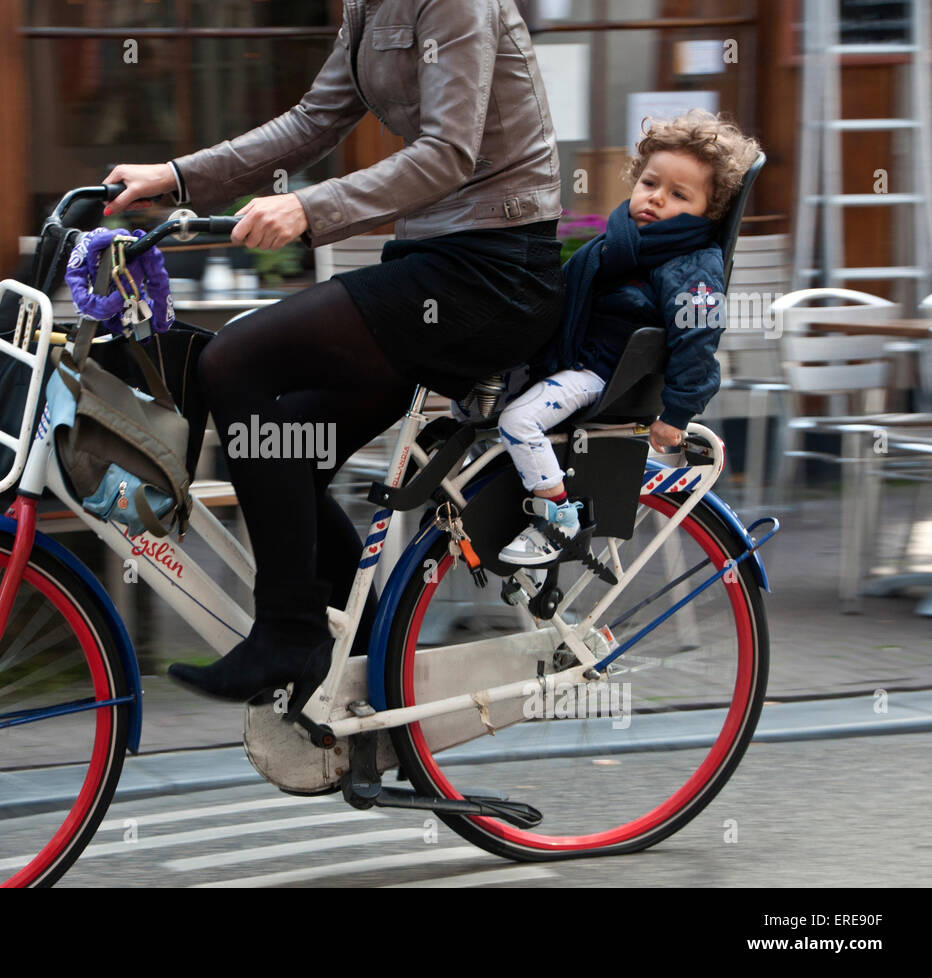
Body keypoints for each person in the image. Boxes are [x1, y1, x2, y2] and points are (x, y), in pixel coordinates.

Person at [102, 1, 565, 713]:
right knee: (284, 450)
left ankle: (290, 631)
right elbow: (312, 121)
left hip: (492, 272)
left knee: (234, 361)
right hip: (432, 262)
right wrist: (176, 175)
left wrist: (311, 208)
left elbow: (449, 151)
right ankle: (382, 678)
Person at [496, 110, 762, 565]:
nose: (656, 199)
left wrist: (677, 414)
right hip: (575, 360)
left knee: (518, 422)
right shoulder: (622, 241)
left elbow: (698, 339)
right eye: (650, 183)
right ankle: (514, 546)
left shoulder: (692, 263)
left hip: (603, 375)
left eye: (679, 194)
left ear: (708, 210)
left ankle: (560, 522)